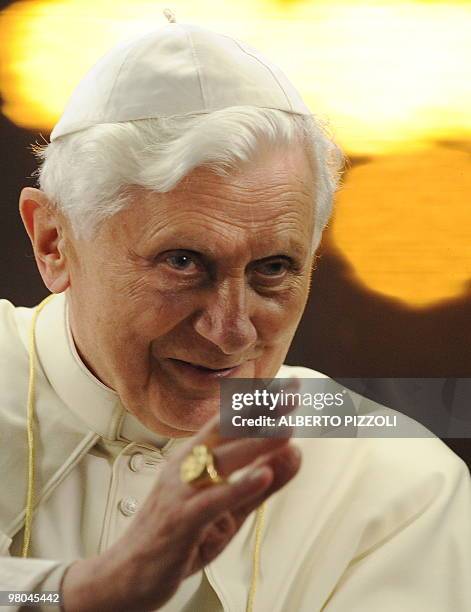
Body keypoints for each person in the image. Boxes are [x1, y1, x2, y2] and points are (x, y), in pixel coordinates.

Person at [1, 14, 470, 612]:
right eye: (183, 261)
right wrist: (85, 594)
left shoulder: (396, 480)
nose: (231, 334)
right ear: (53, 242)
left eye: (273, 268)